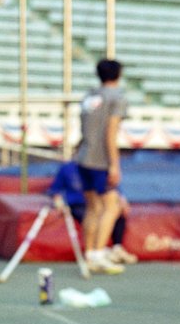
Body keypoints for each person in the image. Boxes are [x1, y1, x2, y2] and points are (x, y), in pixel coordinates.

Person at [75, 59, 128, 274]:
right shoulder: (116, 98)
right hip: (100, 160)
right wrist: (114, 164)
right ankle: (98, 253)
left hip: (84, 156)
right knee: (111, 206)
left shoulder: (89, 96)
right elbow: (111, 132)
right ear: (118, 75)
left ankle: (89, 253)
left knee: (93, 207)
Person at [48, 160, 137, 264]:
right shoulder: (69, 168)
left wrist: (122, 198)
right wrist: (58, 201)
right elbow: (55, 189)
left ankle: (115, 248)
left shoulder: (100, 167)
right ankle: (96, 252)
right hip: (80, 204)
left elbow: (112, 186)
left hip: (99, 201)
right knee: (96, 213)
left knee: (115, 213)